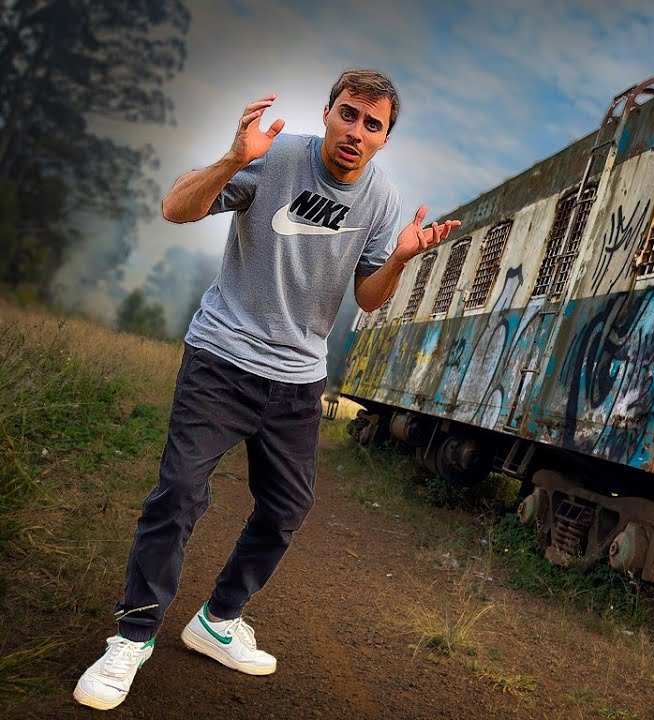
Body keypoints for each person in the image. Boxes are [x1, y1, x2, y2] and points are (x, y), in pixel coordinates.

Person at [74, 69, 459, 711]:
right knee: (179, 493)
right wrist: (232, 159)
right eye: (348, 114)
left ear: (385, 139)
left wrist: (398, 259)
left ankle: (218, 620)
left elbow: (367, 298)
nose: (355, 132)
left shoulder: (382, 202)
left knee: (285, 508)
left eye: (373, 125)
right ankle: (132, 637)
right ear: (329, 112)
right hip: (223, 356)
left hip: (298, 379)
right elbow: (176, 207)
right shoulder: (276, 155)